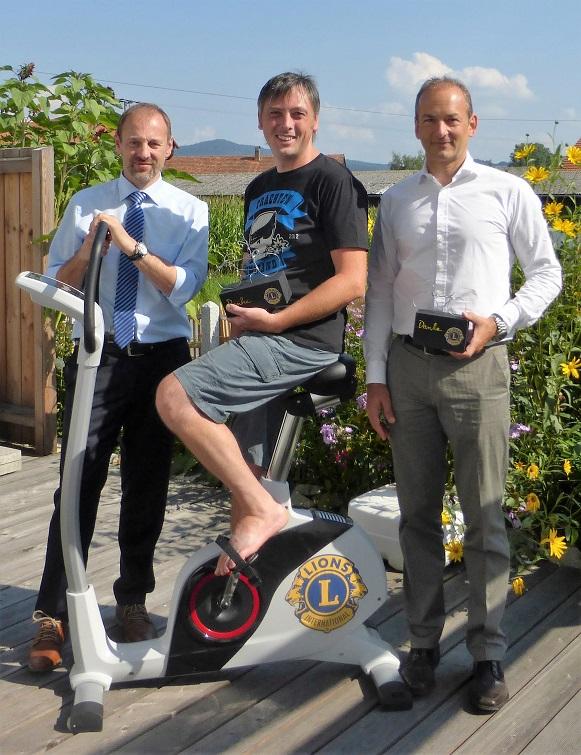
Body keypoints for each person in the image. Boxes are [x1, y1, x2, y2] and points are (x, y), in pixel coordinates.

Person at [364, 76, 562, 712]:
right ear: (415, 126)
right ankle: (423, 644)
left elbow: (547, 273)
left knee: (484, 513)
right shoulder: (397, 201)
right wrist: (375, 376)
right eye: (429, 119)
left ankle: (487, 653)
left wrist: (499, 322)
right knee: (416, 515)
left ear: (472, 123)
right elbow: (380, 291)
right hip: (408, 369)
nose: (441, 130)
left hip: (479, 367)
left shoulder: (508, 191)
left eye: (452, 119)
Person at [156, 71, 368, 575]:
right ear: (260, 121)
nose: (285, 123)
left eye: (297, 113)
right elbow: (264, 269)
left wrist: (277, 322)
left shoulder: (334, 181)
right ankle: (246, 591)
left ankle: (264, 511)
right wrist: (246, 314)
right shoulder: (258, 188)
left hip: (303, 341)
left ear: (315, 120)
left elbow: (353, 281)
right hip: (261, 336)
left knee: (174, 396)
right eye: (275, 114)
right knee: (247, 466)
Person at [28, 103, 209, 672]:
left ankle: (132, 601)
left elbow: (184, 288)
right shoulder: (87, 204)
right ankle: (53, 614)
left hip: (161, 360)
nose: (143, 153)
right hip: (98, 356)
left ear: (170, 148)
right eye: (134, 142)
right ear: (118, 145)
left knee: (147, 483)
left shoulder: (191, 211)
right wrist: (89, 251)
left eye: (154, 143)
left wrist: (131, 247)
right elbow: (54, 283)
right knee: (78, 482)